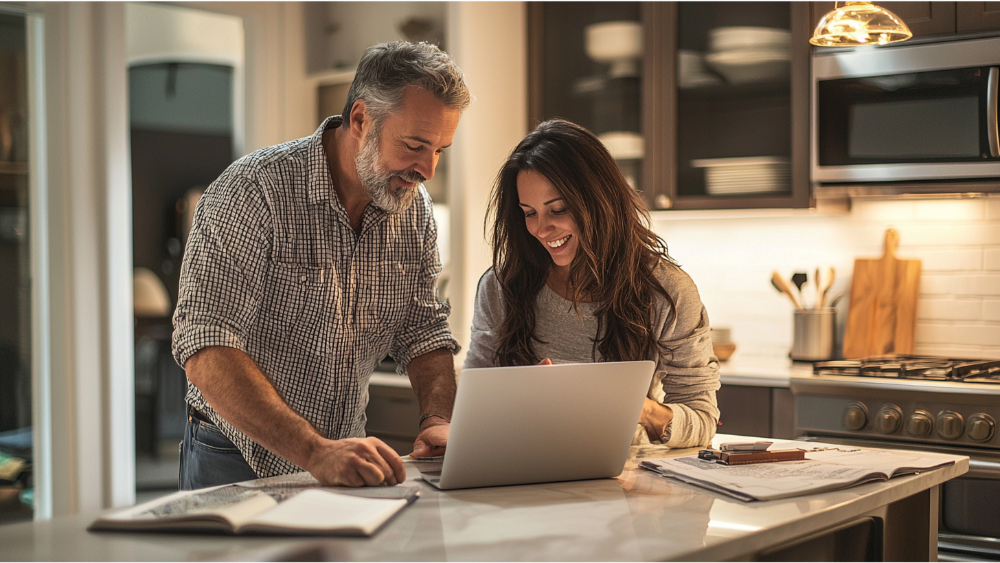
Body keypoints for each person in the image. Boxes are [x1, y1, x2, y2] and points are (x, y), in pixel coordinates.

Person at [172, 41, 472, 490]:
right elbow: (205, 344)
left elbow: (423, 329)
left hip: (344, 456)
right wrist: (313, 450)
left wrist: (438, 418)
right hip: (235, 457)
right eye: (415, 145)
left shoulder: (414, 210)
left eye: (440, 150)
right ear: (360, 120)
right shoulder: (253, 192)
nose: (427, 168)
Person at [465, 119, 720, 448]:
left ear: (601, 201)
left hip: (625, 480)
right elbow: (472, 408)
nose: (542, 229)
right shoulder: (501, 287)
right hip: (519, 471)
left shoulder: (666, 291)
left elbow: (701, 419)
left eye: (558, 209)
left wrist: (634, 405)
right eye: (529, 213)